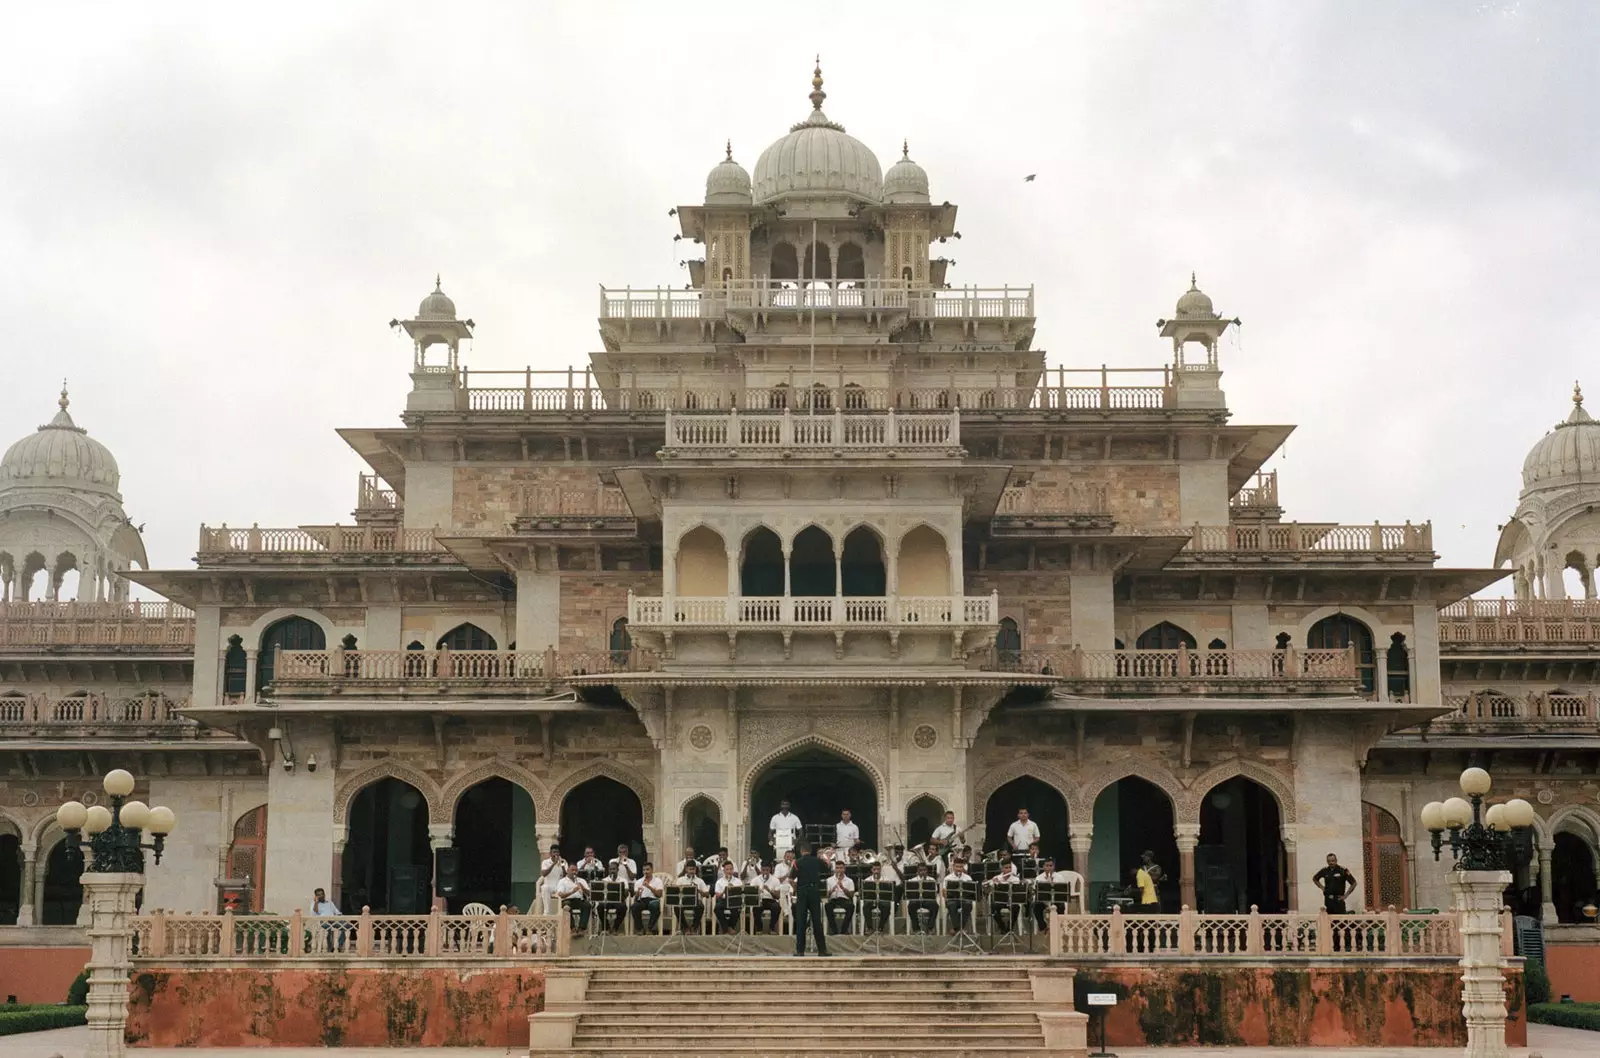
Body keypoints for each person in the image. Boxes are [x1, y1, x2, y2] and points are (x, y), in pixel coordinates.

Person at [792, 841, 830, 957]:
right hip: (814, 891)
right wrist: (825, 856)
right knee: (817, 920)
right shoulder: (817, 861)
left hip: (802, 892)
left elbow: (790, 878)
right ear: (810, 851)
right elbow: (827, 867)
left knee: (801, 921)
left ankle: (800, 951)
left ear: (801, 851)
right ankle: (822, 950)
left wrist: (796, 888)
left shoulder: (796, 862)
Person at [985, 858, 1026, 933]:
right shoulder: (996, 878)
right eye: (1006, 868)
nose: (1008, 870)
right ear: (1002, 869)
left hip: (1011, 901)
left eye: (1010, 867)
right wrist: (992, 884)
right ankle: (1002, 926)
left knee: (1016, 907)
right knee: (993, 907)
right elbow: (988, 891)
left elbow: (1017, 894)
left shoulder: (1015, 879)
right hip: (1000, 901)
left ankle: (1010, 928)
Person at [671, 860, 709, 933]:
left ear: (695, 869)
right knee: (676, 907)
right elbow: (676, 893)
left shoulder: (700, 881)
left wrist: (698, 890)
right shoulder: (680, 880)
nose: (691, 871)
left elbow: (707, 894)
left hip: (695, 902)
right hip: (684, 901)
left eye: (693, 869)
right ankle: (685, 927)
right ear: (686, 869)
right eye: (690, 869)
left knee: (701, 906)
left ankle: (694, 927)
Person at [553, 864, 592, 931]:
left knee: (587, 905)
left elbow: (590, 893)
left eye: (576, 870)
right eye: (572, 870)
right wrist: (572, 892)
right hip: (567, 900)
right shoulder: (562, 881)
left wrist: (582, 888)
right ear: (568, 871)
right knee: (566, 906)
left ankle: (581, 928)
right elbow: (561, 895)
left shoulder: (581, 880)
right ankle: (572, 928)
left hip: (579, 900)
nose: (574, 872)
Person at [942, 858, 977, 932]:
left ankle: (956, 928)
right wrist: (947, 898)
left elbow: (971, 892)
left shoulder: (968, 878)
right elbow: (944, 891)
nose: (959, 869)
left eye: (960, 867)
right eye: (957, 867)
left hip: (964, 899)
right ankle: (960, 928)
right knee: (951, 905)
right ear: (953, 867)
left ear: (963, 867)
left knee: (968, 904)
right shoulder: (947, 878)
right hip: (952, 900)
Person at [860, 862, 893, 934]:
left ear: (881, 869)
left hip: (882, 901)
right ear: (872, 870)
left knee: (887, 907)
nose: (876, 871)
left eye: (878, 869)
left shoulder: (887, 880)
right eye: (874, 869)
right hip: (871, 901)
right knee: (865, 907)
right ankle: (870, 928)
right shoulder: (867, 880)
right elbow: (864, 894)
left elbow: (890, 894)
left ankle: (880, 928)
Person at [754, 863, 788, 934]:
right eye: (763, 870)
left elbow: (777, 896)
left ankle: (771, 927)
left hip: (771, 900)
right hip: (759, 899)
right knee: (756, 907)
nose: (765, 872)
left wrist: (769, 890)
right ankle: (759, 927)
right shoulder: (756, 879)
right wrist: (758, 891)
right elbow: (751, 894)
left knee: (776, 907)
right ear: (761, 870)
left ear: (770, 870)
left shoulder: (775, 880)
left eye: (767, 870)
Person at [906, 863, 940, 934]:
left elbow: (935, 892)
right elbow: (909, 894)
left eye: (924, 870)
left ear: (927, 870)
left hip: (928, 901)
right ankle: (916, 929)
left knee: (935, 906)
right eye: (920, 870)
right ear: (917, 871)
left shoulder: (932, 880)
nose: (923, 872)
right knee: (911, 906)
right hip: (916, 901)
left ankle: (930, 927)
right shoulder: (912, 881)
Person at [825, 860, 856, 934]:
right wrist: (832, 890)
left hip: (844, 899)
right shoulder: (829, 880)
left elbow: (851, 895)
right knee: (827, 906)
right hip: (833, 899)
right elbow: (826, 895)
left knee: (851, 906)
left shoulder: (849, 881)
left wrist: (843, 888)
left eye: (841, 868)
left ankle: (844, 930)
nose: (839, 870)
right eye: (837, 868)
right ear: (835, 869)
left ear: (844, 869)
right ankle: (834, 930)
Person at [714, 861, 746, 933]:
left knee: (738, 908)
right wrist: (724, 891)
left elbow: (741, 893)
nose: (729, 871)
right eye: (727, 869)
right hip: (723, 899)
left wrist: (734, 889)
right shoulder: (719, 882)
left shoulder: (738, 881)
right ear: (724, 870)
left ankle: (730, 926)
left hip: (734, 900)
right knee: (717, 908)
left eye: (731, 869)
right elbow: (718, 896)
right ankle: (726, 928)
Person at [633, 864, 664, 933]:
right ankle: (640, 929)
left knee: (654, 905)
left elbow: (659, 895)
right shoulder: (638, 882)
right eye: (644, 870)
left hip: (653, 900)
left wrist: (649, 886)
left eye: (647, 869)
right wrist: (638, 893)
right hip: (642, 900)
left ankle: (649, 929)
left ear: (652, 870)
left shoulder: (658, 881)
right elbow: (635, 899)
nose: (645, 872)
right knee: (634, 906)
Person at [539, 844, 566, 914]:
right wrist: (554, 863)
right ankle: (547, 912)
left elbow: (566, 876)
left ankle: (561, 913)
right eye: (554, 852)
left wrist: (562, 865)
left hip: (559, 886)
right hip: (549, 886)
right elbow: (544, 874)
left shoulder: (563, 861)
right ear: (550, 853)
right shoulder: (545, 862)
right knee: (544, 888)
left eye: (557, 852)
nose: (556, 854)